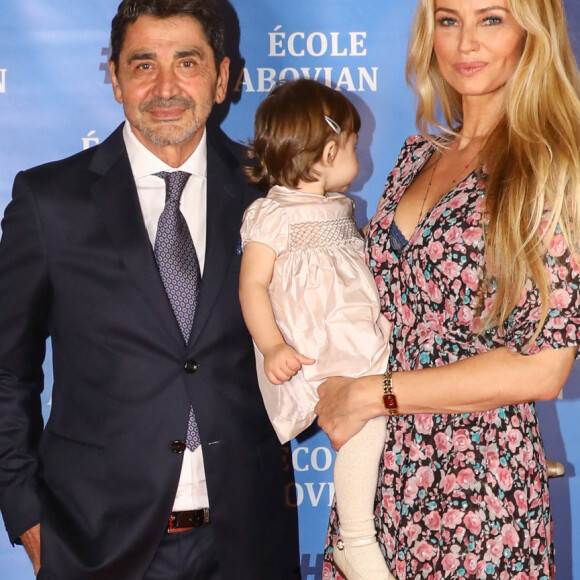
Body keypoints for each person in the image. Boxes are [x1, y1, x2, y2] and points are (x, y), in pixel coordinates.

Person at [0, 1, 300, 578]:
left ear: (222, 78)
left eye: (187, 62)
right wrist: (26, 515)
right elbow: (7, 371)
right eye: (142, 65)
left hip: (248, 545)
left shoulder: (272, 194)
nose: (165, 87)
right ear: (114, 77)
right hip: (94, 547)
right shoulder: (50, 202)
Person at [315, 0, 580, 577]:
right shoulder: (417, 156)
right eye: (448, 19)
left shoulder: (551, 163)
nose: (466, 44)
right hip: (378, 478)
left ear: (530, 33)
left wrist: (370, 394)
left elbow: (544, 368)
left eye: (491, 19)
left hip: (477, 490)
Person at [239, 79, 394, 580]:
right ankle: (355, 538)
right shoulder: (271, 213)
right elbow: (253, 286)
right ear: (328, 151)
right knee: (362, 427)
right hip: (319, 347)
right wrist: (271, 345)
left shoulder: (341, 207)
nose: (359, 155)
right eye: (353, 144)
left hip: (355, 334)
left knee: (382, 419)